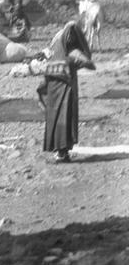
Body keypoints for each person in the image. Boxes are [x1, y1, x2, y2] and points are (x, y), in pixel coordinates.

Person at [37, 22, 95, 163]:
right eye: (69, 35)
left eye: (73, 35)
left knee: (65, 118)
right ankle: (61, 153)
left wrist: (74, 61)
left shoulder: (73, 51)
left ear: (77, 37)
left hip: (67, 91)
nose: (71, 37)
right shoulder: (59, 49)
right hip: (55, 90)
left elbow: (91, 65)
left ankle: (63, 154)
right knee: (54, 118)